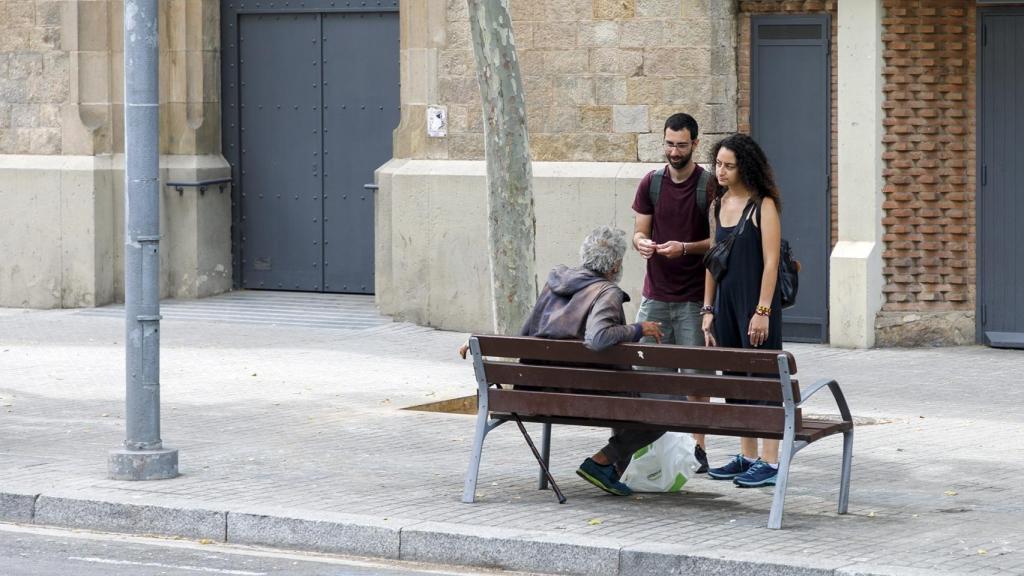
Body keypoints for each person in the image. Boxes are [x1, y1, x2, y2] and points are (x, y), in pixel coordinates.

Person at [462, 226, 663, 496]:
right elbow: (598, 337)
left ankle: (609, 469)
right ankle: (602, 462)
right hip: (587, 395)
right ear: (615, 264)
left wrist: (480, 345)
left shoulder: (555, 281)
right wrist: (640, 329)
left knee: (628, 392)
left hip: (537, 393)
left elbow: (525, 335)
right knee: (668, 405)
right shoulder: (607, 292)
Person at [631, 112, 718, 473]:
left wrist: (684, 248)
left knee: (697, 379)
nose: (674, 151)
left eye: (681, 145)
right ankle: (660, 445)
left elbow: (717, 241)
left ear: (695, 144)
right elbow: (638, 231)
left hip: (694, 298)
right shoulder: (651, 183)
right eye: (669, 143)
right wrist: (643, 244)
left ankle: (697, 451)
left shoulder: (708, 185)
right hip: (655, 296)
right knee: (651, 375)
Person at [700, 133, 784, 488]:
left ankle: (771, 460)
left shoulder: (763, 205)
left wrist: (762, 310)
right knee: (734, 381)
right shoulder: (716, 205)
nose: (720, 171)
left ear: (744, 166)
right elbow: (712, 262)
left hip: (756, 303)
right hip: (726, 304)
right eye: (718, 164)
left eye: (728, 165)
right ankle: (747, 455)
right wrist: (708, 309)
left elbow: (772, 261)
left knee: (763, 381)